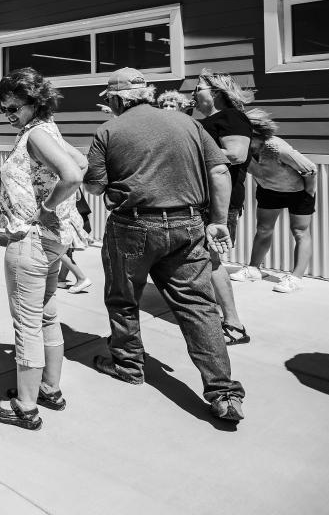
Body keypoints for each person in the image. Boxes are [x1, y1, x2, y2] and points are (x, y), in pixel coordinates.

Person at [84, 67, 245, 423]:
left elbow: (94, 187)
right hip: (190, 222)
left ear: (114, 99)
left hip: (133, 225)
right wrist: (218, 221)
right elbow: (219, 171)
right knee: (199, 306)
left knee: (124, 297)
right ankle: (224, 392)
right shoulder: (188, 123)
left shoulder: (107, 131)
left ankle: (128, 365)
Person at [0, 68, 87, 430]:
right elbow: (82, 163)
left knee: (26, 323)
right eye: (4, 109)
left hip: (30, 239)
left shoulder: (36, 135)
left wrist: (45, 207)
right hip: (52, 241)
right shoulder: (46, 130)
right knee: (46, 315)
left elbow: (73, 175)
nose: (8, 114)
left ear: (33, 102)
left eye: (14, 107)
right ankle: (49, 388)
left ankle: (25, 406)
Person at [192, 69, 252, 346]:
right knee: (205, 263)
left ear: (215, 92)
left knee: (213, 262)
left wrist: (190, 154)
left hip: (219, 203)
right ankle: (212, 315)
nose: (193, 92)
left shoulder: (231, 117)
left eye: (198, 87)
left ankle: (233, 323)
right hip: (201, 200)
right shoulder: (208, 121)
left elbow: (237, 154)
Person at [232, 109, 317, 293]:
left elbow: (310, 170)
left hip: (298, 191)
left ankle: (296, 278)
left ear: (255, 132)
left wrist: (309, 192)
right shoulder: (241, 148)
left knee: (300, 232)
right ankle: (254, 269)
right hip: (269, 190)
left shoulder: (277, 148)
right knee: (263, 229)